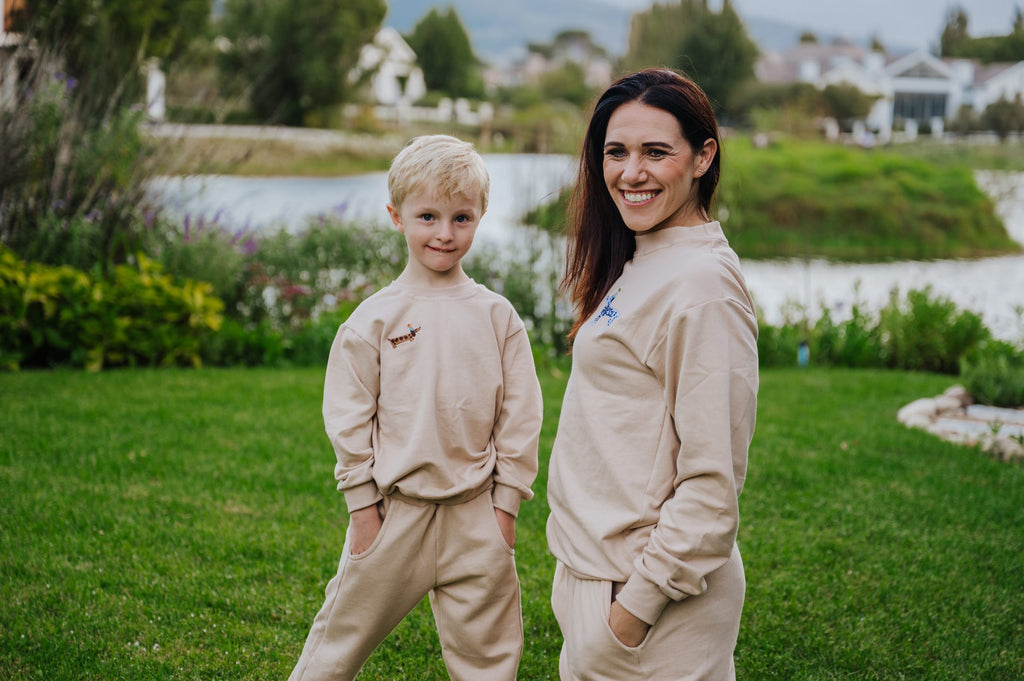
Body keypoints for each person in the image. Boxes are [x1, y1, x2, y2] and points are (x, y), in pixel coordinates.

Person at [289, 134, 544, 681]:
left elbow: (520, 418)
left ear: (480, 218)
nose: (445, 233)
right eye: (428, 216)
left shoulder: (498, 317)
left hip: (478, 519)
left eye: (462, 217)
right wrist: (362, 506)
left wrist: (505, 506)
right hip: (391, 516)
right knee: (335, 647)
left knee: (491, 662)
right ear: (396, 216)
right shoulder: (374, 320)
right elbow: (348, 413)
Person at [545, 69, 759, 680]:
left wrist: (631, 613)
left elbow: (713, 486)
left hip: (650, 604)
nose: (630, 172)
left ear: (702, 157)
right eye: (616, 152)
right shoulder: (647, 257)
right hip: (601, 582)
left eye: (655, 152)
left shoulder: (702, 287)